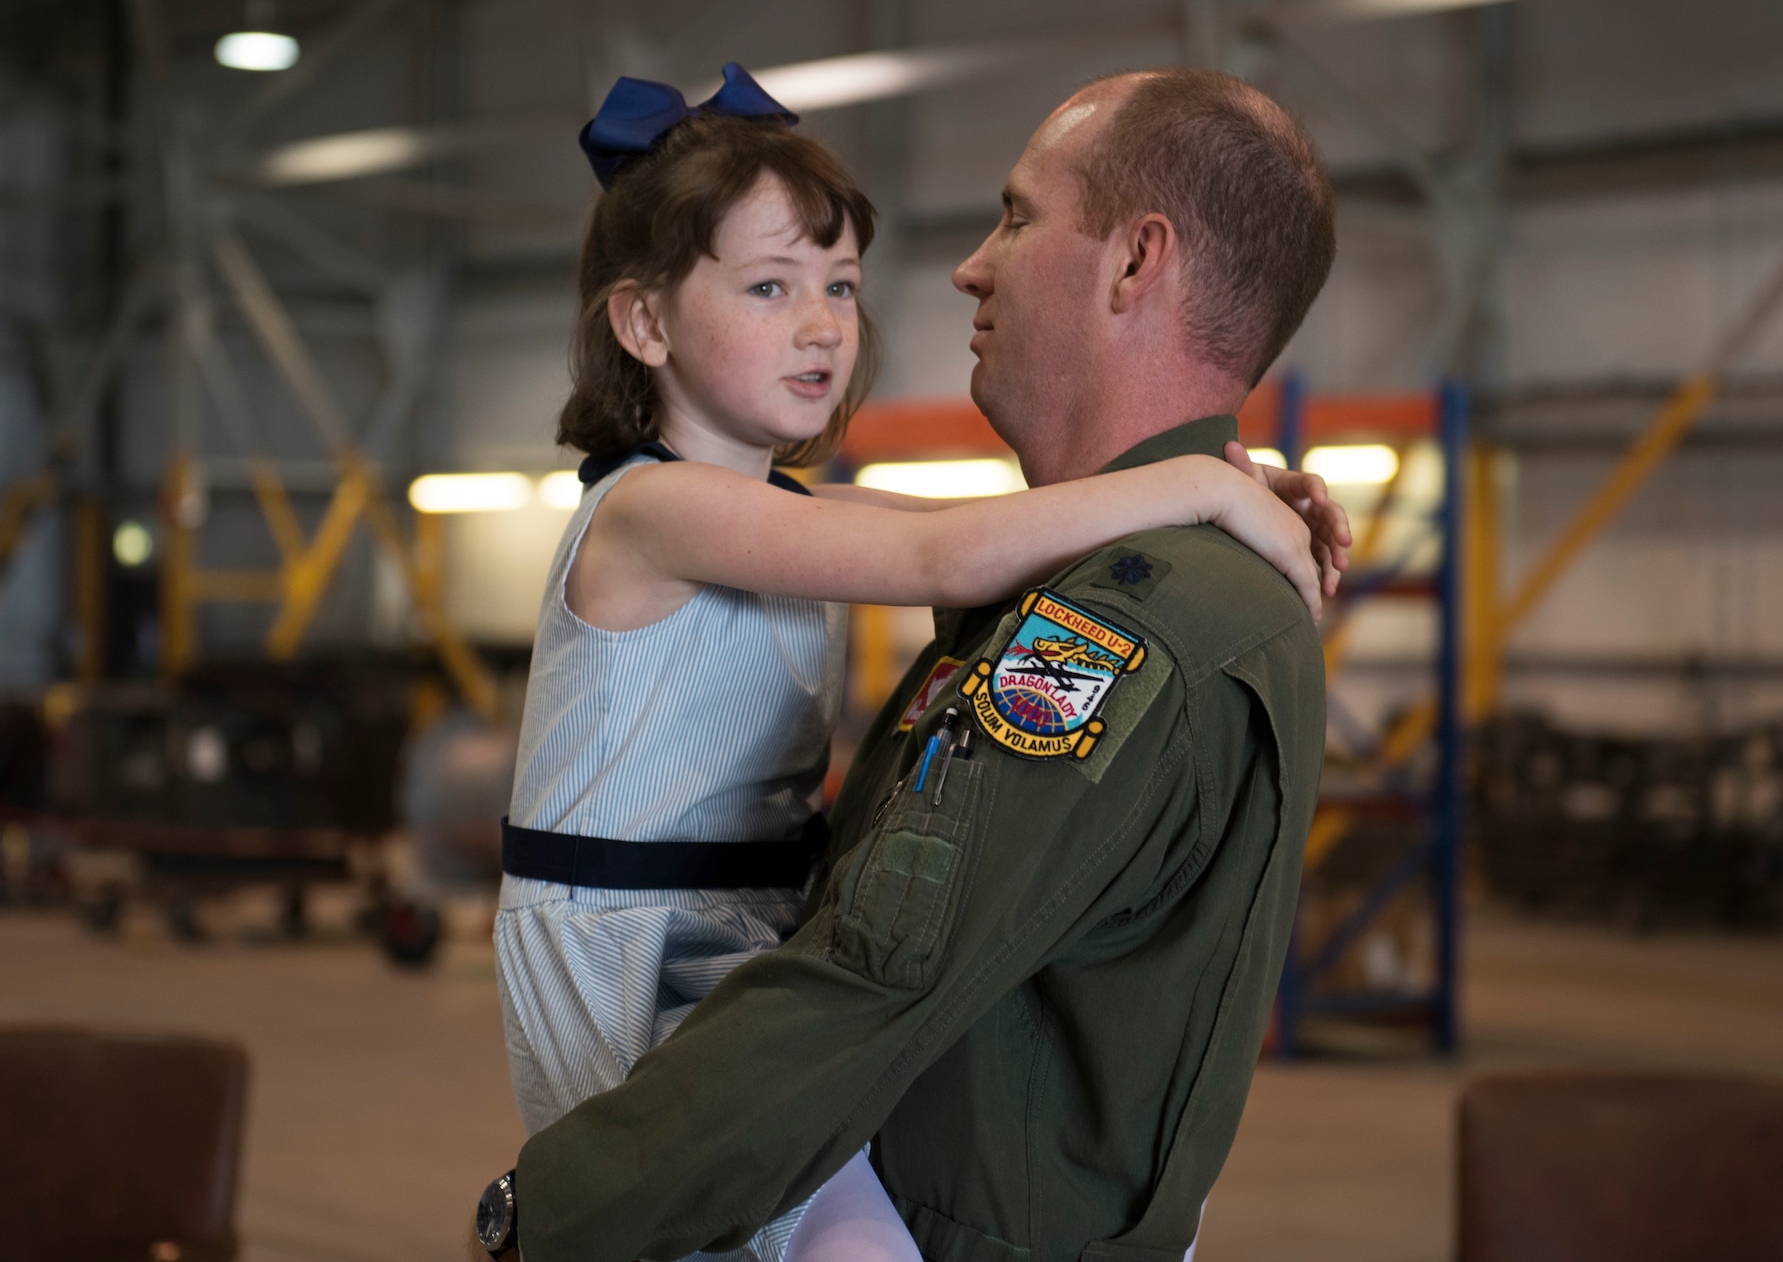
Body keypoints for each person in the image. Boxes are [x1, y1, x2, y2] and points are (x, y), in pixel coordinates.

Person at [479, 66, 1347, 1262]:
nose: (962, 267)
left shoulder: (1143, 609)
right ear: (644, 321)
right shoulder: (663, 510)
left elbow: (881, 973)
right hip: (629, 941)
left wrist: (534, 1220)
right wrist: (1203, 482)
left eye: (1018, 215)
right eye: (770, 286)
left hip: (758, 973)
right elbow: (944, 549)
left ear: (1135, 263)